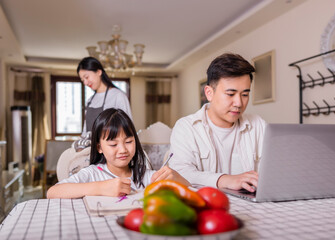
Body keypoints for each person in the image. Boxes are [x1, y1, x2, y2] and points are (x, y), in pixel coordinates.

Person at [169, 53, 266, 192]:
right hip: (205, 204)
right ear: (209, 93)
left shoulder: (258, 125)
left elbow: (274, 169)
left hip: (251, 204)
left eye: (245, 94)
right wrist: (224, 179)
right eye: (230, 94)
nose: (239, 103)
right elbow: (179, 173)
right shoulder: (186, 128)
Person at [47, 108, 189, 199]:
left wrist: (178, 179)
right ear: (99, 147)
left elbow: (188, 189)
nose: (123, 150)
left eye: (128, 141)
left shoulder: (145, 175)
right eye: (113, 144)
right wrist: (101, 187)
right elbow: (52, 192)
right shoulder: (92, 174)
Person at [74, 56, 132, 151]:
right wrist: (80, 147)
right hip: (91, 150)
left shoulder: (118, 96)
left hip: (112, 151)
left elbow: (128, 128)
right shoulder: (90, 101)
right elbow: (85, 132)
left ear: (99, 72)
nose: (85, 82)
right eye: (82, 80)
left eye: (86, 77)